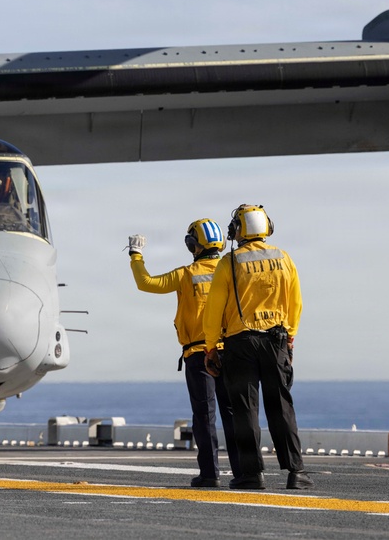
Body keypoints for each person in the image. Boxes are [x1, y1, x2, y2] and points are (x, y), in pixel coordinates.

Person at [202, 204, 313, 490]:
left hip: (240, 343)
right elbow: (295, 303)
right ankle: (296, 472)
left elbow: (213, 310)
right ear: (267, 227)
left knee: (245, 411)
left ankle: (252, 474)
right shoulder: (283, 258)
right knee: (282, 407)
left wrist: (211, 347)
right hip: (276, 340)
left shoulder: (230, 262)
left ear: (237, 230)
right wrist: (289, 337)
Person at [127, 220, 242, 488]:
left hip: (200, 354)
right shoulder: (232, 271)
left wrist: (136, 255)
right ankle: (244, 472)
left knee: (205, 416)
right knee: (235, 415)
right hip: (232, 351)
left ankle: (210, 474)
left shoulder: (187, 274)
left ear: (194, 245)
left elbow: (146, 283)